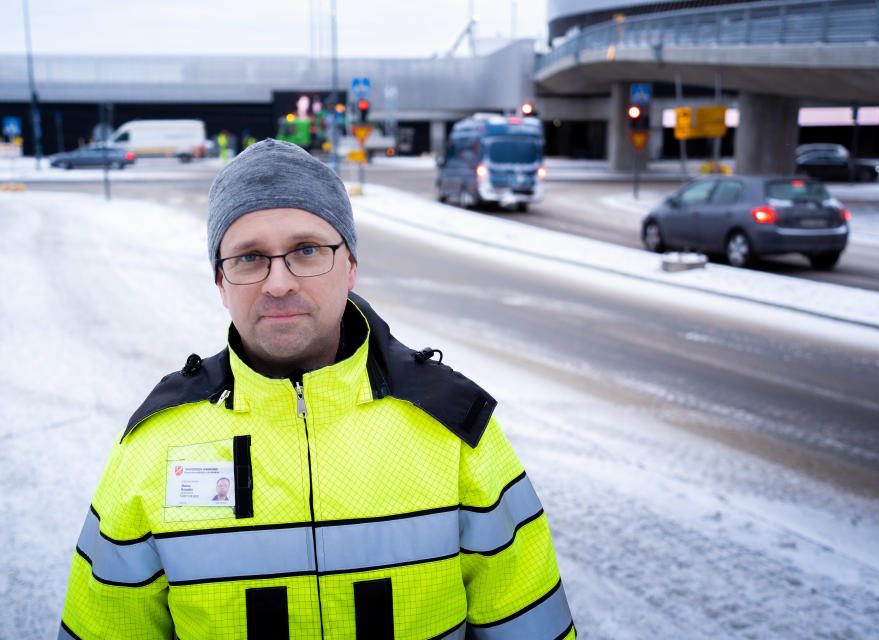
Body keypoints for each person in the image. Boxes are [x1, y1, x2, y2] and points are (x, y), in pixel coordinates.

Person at [59, 139, 575, 640]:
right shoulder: (152, 448)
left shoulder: (456, 432)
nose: (278, 282)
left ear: (349, 266)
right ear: (220, 282)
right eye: (249, 258)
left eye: (306, 251)